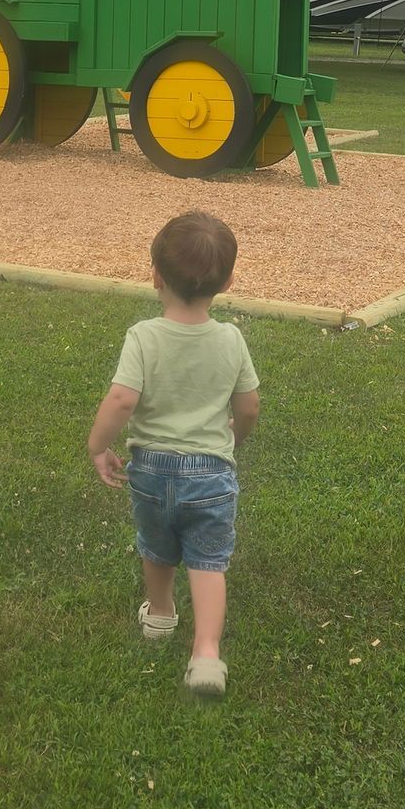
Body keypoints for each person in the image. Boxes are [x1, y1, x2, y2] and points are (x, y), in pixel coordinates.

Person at [87, 211, 260, 696]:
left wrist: (98, 447)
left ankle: (160, 616)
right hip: (211, 474)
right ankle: (206, 653)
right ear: (227, 281)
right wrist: (235, 438)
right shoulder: (230, 339)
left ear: (156, 275)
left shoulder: (144, 336)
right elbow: (248, 407)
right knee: (208, 560)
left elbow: (122, 399)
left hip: (150, 470)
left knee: (157, 546)